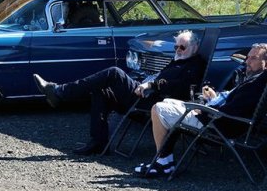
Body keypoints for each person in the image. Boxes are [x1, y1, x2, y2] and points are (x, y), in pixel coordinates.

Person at [34, 30, 205, 155]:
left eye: (182, 47)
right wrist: (147, 82)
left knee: (114, 73)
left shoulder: (194, 65)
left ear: (195, 47)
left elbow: (178, 86)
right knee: (100, 90)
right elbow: (160, 76)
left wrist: (151, 84)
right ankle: (98, 142)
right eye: (176, 47)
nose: (178, 50)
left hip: (158, 103)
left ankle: (59, 91)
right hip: (146, 94)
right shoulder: (178, 61)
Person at [134, 43, 267, 178]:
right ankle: (165, 162)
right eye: (248, 57)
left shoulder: (255, 85)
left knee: (158, 108)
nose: (247, 61)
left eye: (253, 58)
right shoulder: (256, 80)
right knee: (168, 103)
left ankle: (163, 164)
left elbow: (231, 112)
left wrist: (204, 110)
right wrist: (213, 99)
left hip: (217, 125)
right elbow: (233, 103)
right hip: (218, 118)